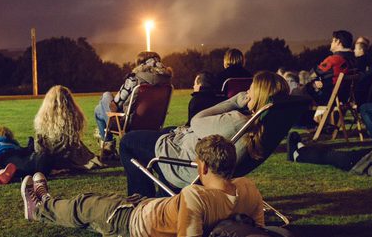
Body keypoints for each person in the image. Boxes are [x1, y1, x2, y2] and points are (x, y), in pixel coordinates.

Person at [21, 135, 265, 237]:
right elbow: (258, 230)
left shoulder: (196, 196)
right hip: (146, 205)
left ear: (202, 168)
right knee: (99, 199)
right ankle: (45, 200)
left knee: (83, 206)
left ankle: (39, 207)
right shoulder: (247, 189)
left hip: (132, 220)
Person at [120, 71, 288, 197]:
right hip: (194, 158)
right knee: (161, 132)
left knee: (128, 142)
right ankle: (163, 196)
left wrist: (234, 101)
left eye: (250, 89)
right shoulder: (260, 126)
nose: (247, 92)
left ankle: (141, 202)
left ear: (259, 94)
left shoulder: (238, 122)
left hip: (183, 164)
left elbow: (197, 120)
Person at [94, 51, 171, 156]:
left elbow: (116, 104)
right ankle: (108, 145)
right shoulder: (166, 82)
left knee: (104, 100)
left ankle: (108, 144)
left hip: (129, 123)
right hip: (154, 123)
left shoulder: (134, 78)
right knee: (99, 109)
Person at [32, 85, 101, 172]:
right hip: (67, 156)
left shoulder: (43, 118)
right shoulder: (74, 117)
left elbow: (39, 146)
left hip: (49, 157)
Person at [307, 30, 357, 105]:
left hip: (330, 97)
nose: (331, 43)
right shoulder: (354, 59)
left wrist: (314, 78)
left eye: (332, 41)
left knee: (298, 91)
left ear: (338, 42)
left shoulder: (335, 59)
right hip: (344, 97)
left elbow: (315, 72)